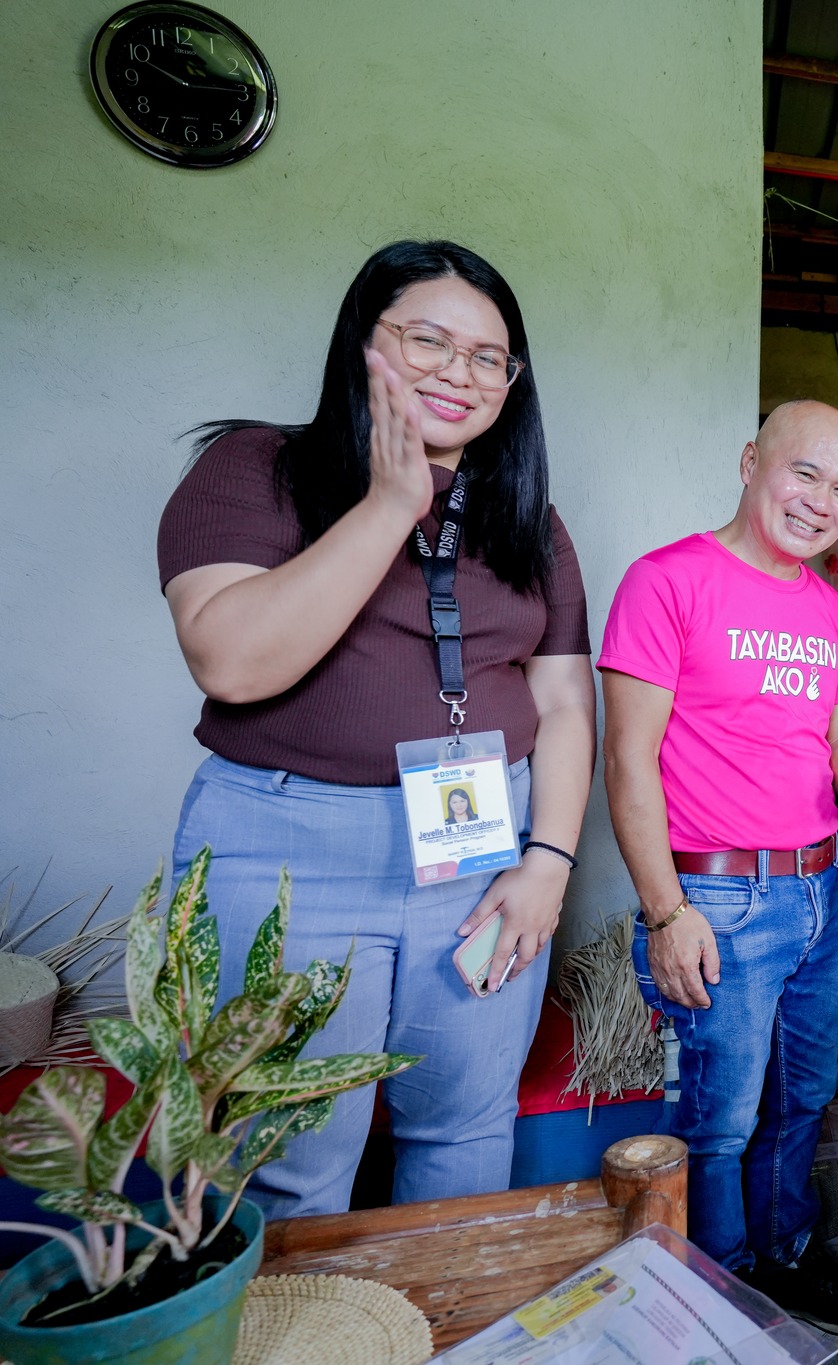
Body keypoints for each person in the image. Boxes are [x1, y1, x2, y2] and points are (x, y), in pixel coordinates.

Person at [158, 240, 595, 1217]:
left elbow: (565, 701)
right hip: (285, 855)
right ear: (364, 345)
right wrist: (393, 502)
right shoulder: (254, 469)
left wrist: (549, 862)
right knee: (286, 1159)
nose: (461, 372)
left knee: (465, 1132)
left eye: (490, 356)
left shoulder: (529, 518)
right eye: (429, 340)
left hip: (484, 862)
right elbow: (230, 660)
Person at [599, 399, 838, 1335]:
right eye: (804, 472)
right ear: (749, 460)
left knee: (804, 1098)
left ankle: (788, 1252)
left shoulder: (826, 608)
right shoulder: (666, 581)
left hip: (820, 893)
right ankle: (722, 1286)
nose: (822, 502)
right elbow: (627, 761)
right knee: (721, 1118)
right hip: (719, 897)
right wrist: (664, 910)